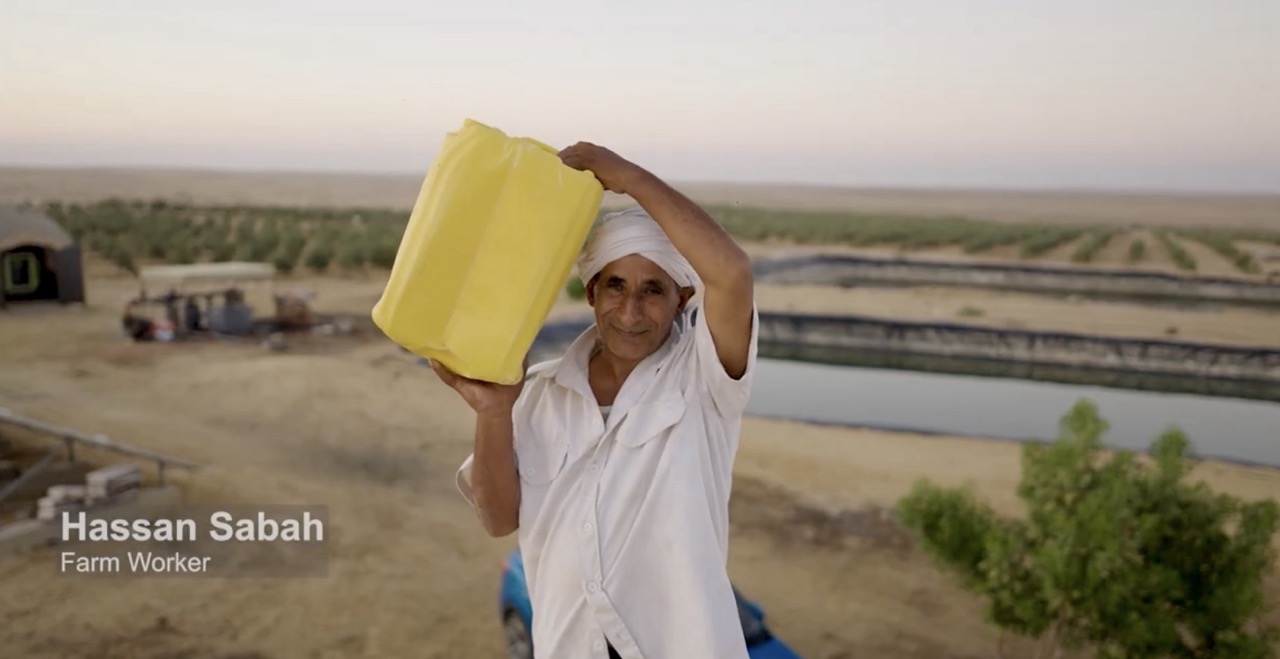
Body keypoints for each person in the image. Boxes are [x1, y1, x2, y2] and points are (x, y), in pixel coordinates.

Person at [434, 142, 758, 659]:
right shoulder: (539, 393)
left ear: (682, 300)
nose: (630, 311)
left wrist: (628, 178)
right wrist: (493, 412)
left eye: (653, 290)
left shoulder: (704, 379)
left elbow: (733, 273)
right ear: (591, 293)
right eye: (616, 286)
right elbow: (498, 520)